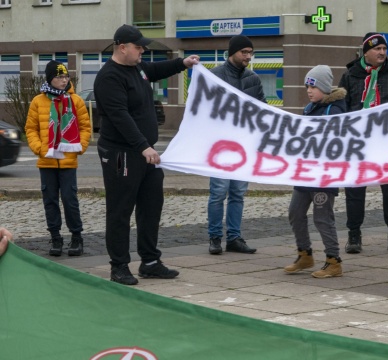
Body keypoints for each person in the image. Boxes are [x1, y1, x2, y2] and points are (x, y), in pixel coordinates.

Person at [94, 24, 200, 285]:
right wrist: (143, 146)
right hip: (123, 152)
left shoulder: (138, 68)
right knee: (120, 210)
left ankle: (150, 261)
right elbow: (120, 116)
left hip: (146, 153)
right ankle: (119, 265)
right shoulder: (109, 77)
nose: (143, 51)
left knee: (151, 206)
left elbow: (155, 70)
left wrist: (182, 63)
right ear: (122, 48)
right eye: (139, 47)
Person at [338, 32, 388, 254]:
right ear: (366, 51)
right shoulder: (350, 75)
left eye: (384, 49)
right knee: (355, 190)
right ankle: (354, 235)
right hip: (358, 144)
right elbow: (342, 108)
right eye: (377, 49)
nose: (382, 53)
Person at [284, 65, 347, 278]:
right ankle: (305, 254)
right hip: (306, 173)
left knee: (322, 218)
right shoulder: (309, 109)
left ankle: (333, 260)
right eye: (307, 86)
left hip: (324, 176)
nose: (309, 91)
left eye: (313, 86)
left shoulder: (336, 110)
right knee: (295, 213)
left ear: (325, 87)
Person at [206, 35, 266, 255]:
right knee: (219, 192)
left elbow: (263, 109)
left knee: (238, 192)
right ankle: (214, 237)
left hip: (245, 145)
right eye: (244, 53)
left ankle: (234, 237)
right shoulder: (214, 77)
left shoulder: (253, 79)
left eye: (251, 53)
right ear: (232, 52)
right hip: (220, 146)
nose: (248, 57)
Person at [25, 61, 91, 257]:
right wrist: (39, 148)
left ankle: (76, 237)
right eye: (59, 77)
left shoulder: (75, 100)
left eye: (66, 77)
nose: (64, 80)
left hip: (68, 160)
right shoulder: (38, 101)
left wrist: (80, 148)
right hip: (47, 160)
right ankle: (55, 237)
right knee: (50, 200)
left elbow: (85, 128)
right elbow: (31, 129)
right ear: (49, 79)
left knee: (70, 200)